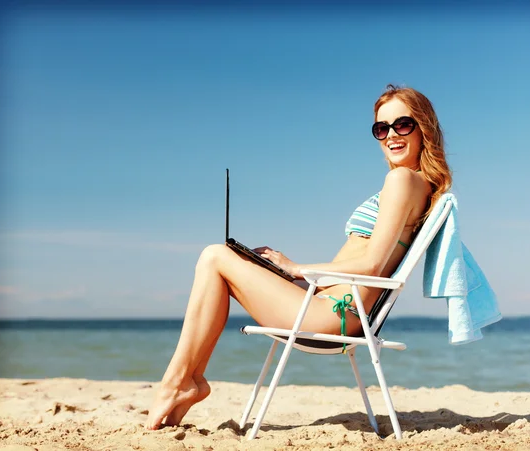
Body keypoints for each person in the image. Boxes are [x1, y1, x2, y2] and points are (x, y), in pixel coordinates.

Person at [145, 84, 452, 430]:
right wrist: (292, 275)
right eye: (382, 128)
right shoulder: (419, 184)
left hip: (330, 317)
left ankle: (181, 382)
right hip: (331, 307)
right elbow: (367, 264)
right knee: (223, 258)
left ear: (424, 125)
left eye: (403, 124)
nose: (391, 135)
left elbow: (372, 266)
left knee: (215, 256)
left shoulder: (401, 180)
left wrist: (297, 268)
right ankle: (186, 380)